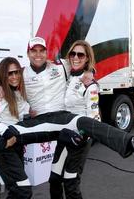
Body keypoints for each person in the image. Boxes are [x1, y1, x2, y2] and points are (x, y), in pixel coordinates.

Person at [0, 37, 134, 198]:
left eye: (42, 50)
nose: (39, 54)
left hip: (63, 119)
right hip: (39, 121)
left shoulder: (60, 66)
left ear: (47, 53)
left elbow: (82, 62)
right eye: (34, 51)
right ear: (29, 52)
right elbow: (8, 79)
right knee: (13, 135)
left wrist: (91, 74)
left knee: (84, 124)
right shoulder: (21, 73)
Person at [48, 40, 100, 199]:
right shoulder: (66, 73)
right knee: (55, 180)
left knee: (71, 183)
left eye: (80, 55)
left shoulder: (90, 85)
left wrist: (81, 136)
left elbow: (94, 118)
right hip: (64, 135)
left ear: (87, 59)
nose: (75, 57)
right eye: (73, 53)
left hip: (80, 138)